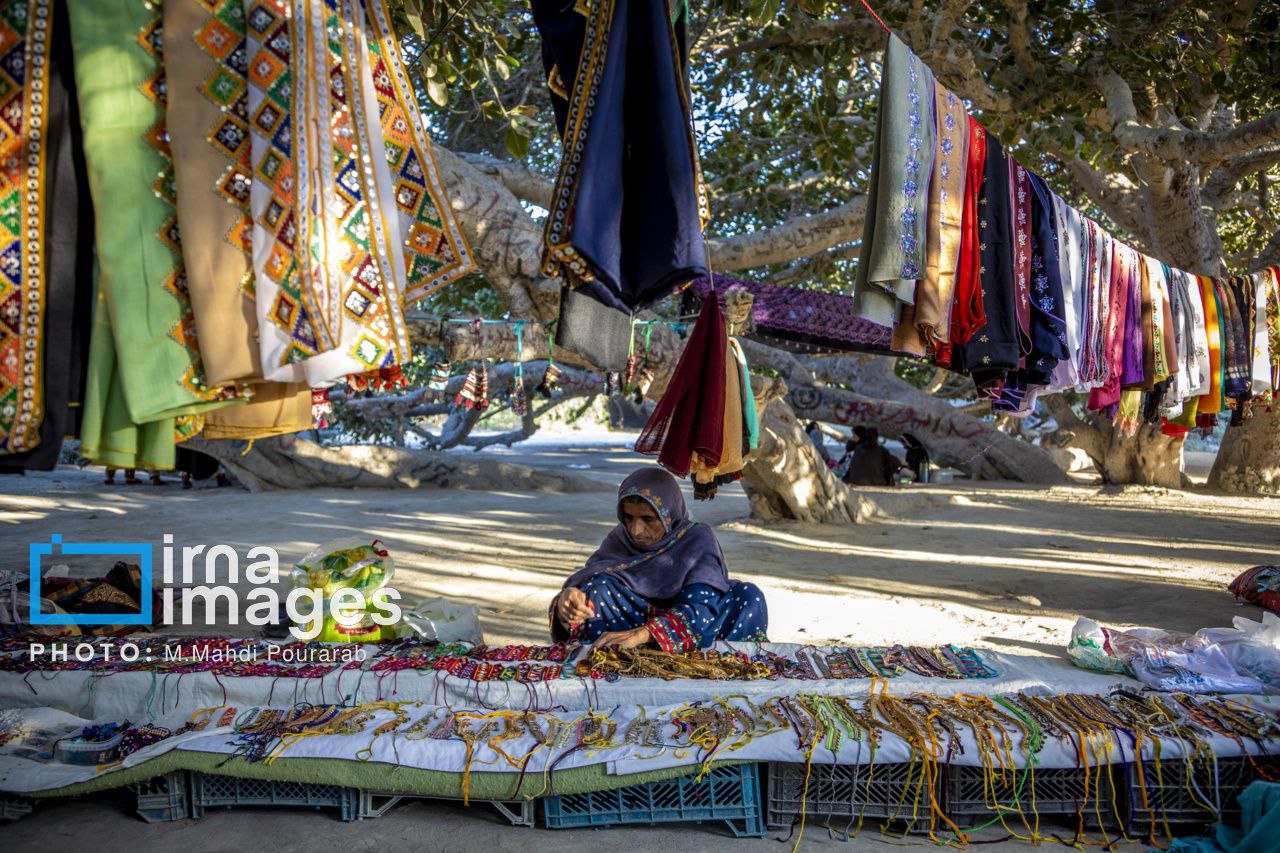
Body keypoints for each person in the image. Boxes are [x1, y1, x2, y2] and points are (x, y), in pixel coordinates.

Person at [551, 468, 768, 652]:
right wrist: (569, 599)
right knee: (597, 589)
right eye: (628, 517)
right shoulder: (619, 538)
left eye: (648, 519)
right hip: (628, 628)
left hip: (691, 631)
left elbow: (700, 607)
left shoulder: (696, 538)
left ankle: (715, 664)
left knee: (748, 597)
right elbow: (591, 581)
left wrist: (645, 634)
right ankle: (610, 658)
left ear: (669, 515)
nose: (635, 530)